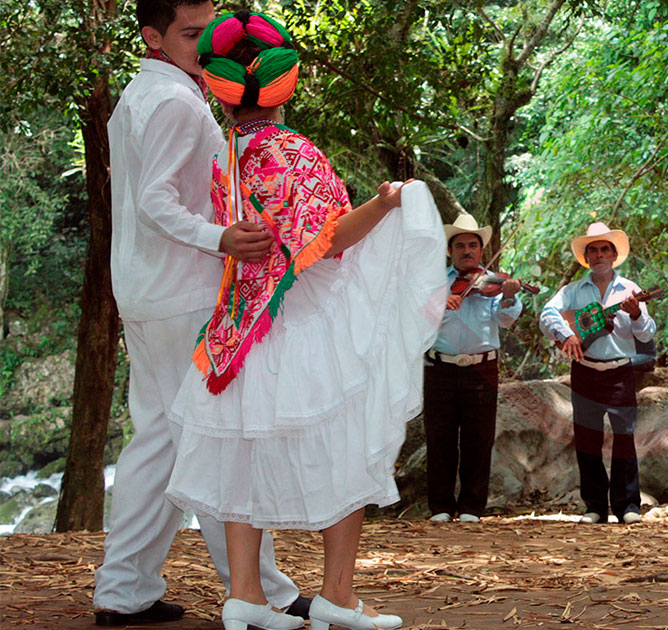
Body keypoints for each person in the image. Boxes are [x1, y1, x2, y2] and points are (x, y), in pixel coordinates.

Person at [163, 11, 445, 630]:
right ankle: (338, 598)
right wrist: (387, 200)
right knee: (345, 452)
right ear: (283, 85)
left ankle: (244, 595)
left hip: (238, 330)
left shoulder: (226, 153)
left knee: (244, 454)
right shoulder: (292, 149)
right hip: (301, 324)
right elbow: (331, 239)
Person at [95, 1, 303, 625]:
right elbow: (155, 199)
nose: (204, 42)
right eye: (190, 33)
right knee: (211, 438)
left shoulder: (144, 91)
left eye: (208, 30)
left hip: (147, 288)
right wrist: (221, 239)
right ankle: (261, 594)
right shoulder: (176, 102)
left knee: (159, 438)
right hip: (183, 290)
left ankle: (123, 591)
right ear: (153, 36)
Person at [539, 223, 656, 525]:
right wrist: (566, 334)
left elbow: (646, 333)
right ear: (586, 257)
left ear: (615, 255)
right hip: (585, 371)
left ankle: (628, 505)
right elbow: (547, 314)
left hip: (620, 372)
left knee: (624, 438)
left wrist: (635, 313)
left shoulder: (631, 290)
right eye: (594, 250)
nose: (600, 254)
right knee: (588, 439)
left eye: (605, 249)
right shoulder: (572, 292)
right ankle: (594, 507)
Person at [425, 214, 523, 524]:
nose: (467, 251)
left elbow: (506, 320)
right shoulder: (435, 283)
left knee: (478, 438)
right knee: (439, 437)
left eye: (473, 245)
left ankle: (471, 506)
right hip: (440, 367)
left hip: (482, 369)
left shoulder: (491, 282)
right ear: (450, 251)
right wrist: (440, 303)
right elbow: (415, 322)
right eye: (460, 246)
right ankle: (440, 505)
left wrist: (509, 295)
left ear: (482, 250)